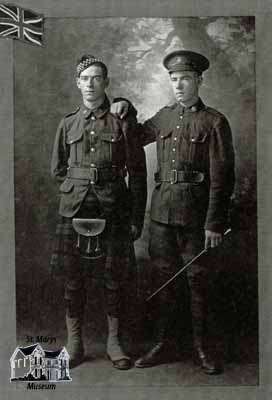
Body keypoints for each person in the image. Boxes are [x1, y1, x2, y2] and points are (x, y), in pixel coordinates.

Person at [112, 50, 235, 374]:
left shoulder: (214, 121)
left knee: (199, 283)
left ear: (199, 80)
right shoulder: (164, 117)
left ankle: (202, 348)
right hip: (161, 216)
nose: (179, 85)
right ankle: (165, 343)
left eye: (185, 78)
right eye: (174, 79)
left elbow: (223, 177)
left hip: (196, 218)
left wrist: (214, 224)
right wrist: (126, 107)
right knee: (165, 281)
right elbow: (136, 137)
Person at [50, 54, 147, 370]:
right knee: (72, 279)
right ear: (77, 83)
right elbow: (58, 168)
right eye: (85, 78)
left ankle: (114, 342)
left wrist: (135, 218)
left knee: (114, 278)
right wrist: (81, 184)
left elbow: (137, 171)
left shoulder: (122, 120)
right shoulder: (67, 123)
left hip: (113, 208)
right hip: (74, 206)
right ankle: (74, 342)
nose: (90, 84)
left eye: (97, 78)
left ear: (106, 83)